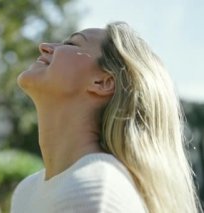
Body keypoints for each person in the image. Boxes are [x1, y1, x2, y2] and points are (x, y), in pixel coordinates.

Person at [10, 22, 202, 213]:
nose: (45, 46)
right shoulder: (26, 191)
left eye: (71, 44)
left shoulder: (95, 188)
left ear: (103, 82)